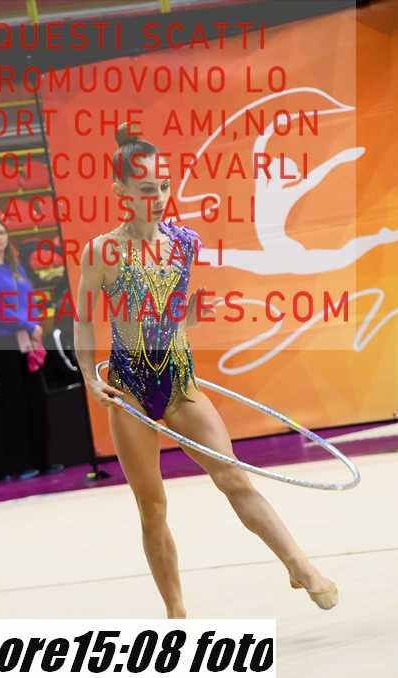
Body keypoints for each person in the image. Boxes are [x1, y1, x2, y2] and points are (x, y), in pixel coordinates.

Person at [74, 124, 338, 619]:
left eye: (163, 185)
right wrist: (90, 377)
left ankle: (298, 564)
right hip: (130, 392)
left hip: (180, 383)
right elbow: (85, 321)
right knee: (153, 508)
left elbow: (167, 320)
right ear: (120, 191)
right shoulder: (102, 252)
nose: (158, 197)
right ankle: (176, 612)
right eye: (145, 188)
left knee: (234, 477)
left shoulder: (183, 243)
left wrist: (190, 314)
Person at [0, 218, 63, 480]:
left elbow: (29, 299)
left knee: (36, 397)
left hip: (27, 338)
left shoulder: (16, 267)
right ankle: (20, 465)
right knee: (14, 402)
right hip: (4, 341)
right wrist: (28, 324)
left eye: (2, 232)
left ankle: (43, 460)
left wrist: (34, 325)